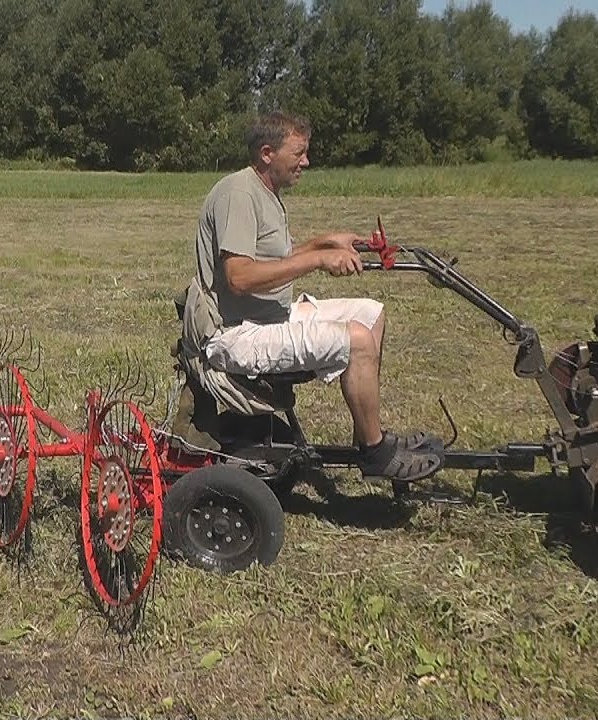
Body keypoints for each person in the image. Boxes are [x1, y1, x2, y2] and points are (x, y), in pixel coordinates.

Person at [180, 111, 442, 483]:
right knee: (357, 340)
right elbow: (239, 276)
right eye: (299, 152)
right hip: (233, 333)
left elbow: (275, 258)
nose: (306, 161)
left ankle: (365, 434)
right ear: (268, 153)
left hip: (265, 315)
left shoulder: (264, 191)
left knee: (371, 314)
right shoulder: (239, 194)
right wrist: (318, 259)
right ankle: (376, 454)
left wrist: (325, 241)